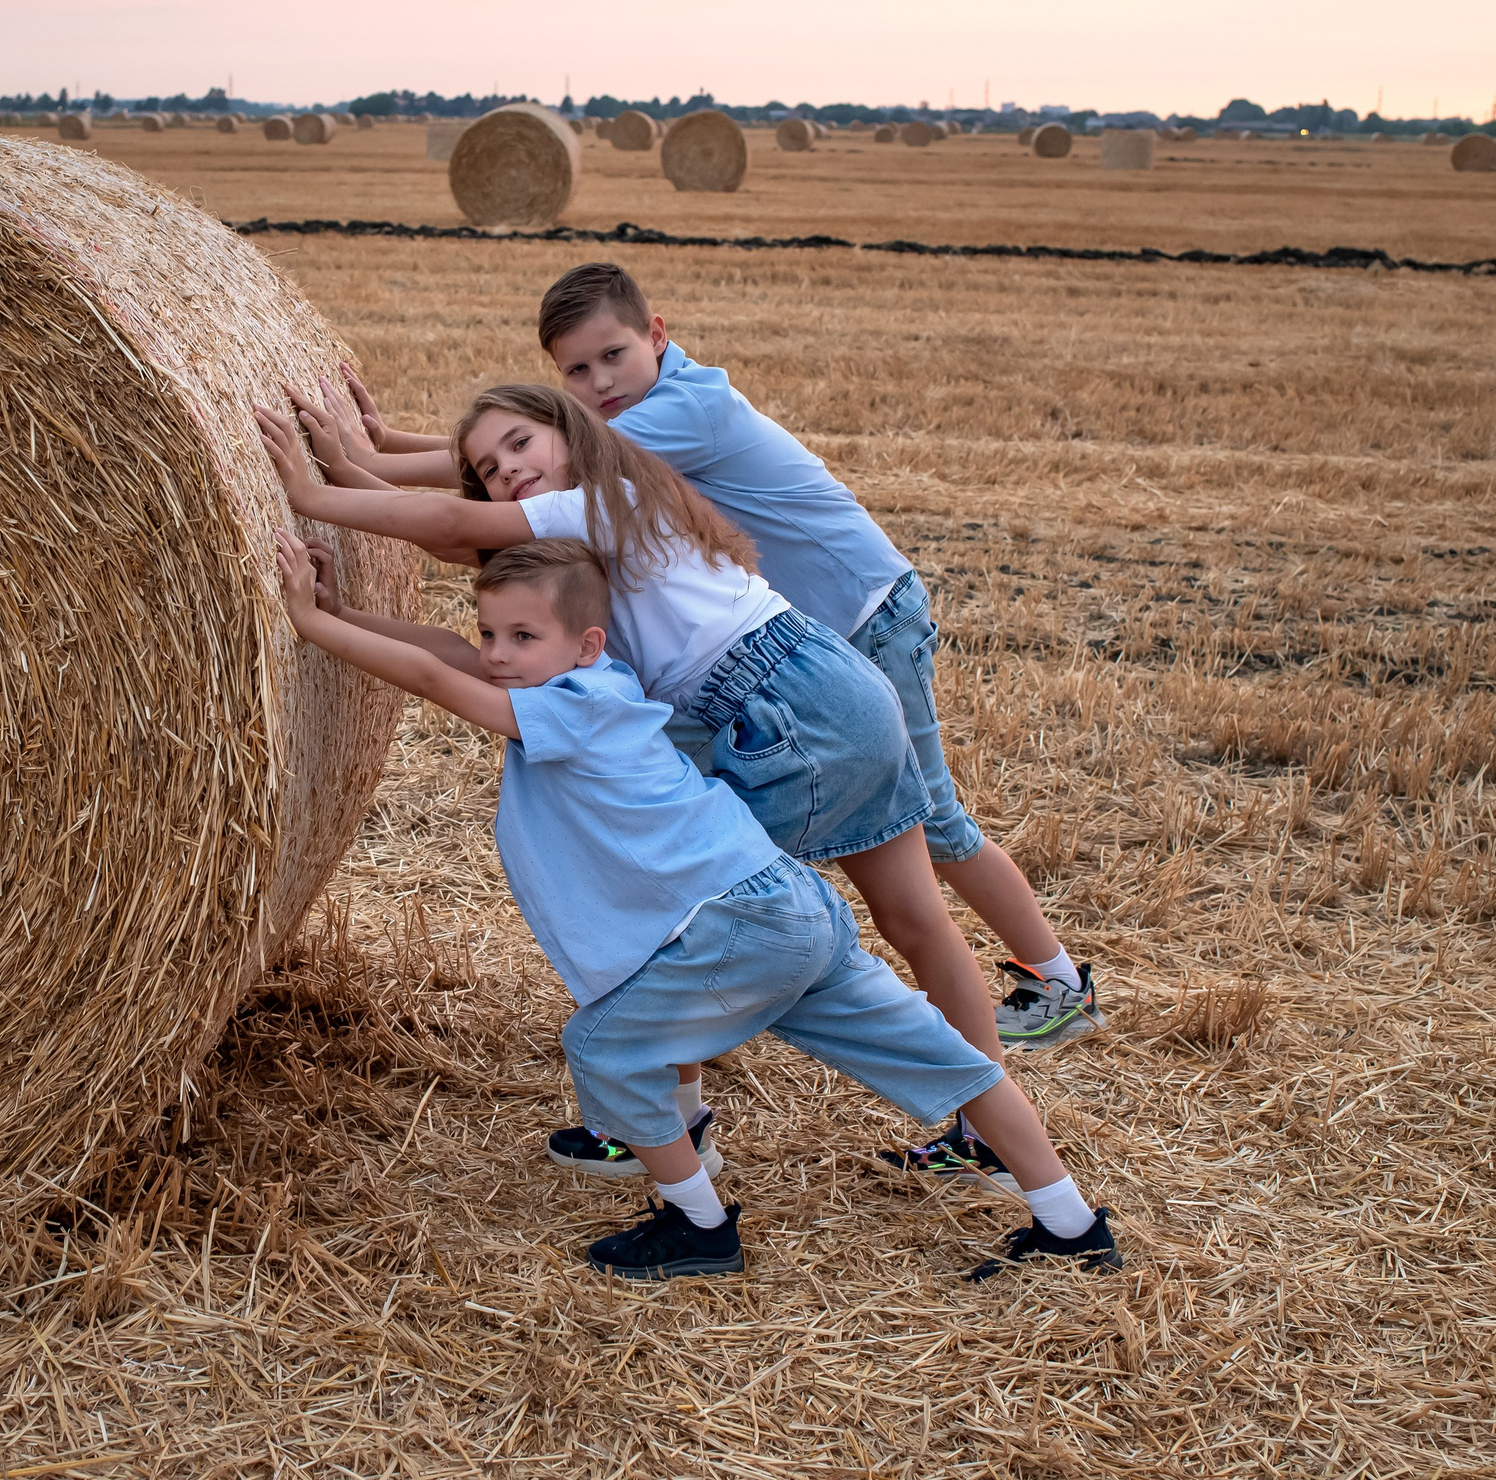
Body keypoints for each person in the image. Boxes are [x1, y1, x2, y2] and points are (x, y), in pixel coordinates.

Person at [266, 525, 1120, 1283]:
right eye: (491, 631)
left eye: (521, 636)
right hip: (788, 909)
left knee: (601, 1046)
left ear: (586, 641)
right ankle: (1073, 1225)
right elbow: (447, 654)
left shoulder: (580, 709)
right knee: (948, 1061)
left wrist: (312, 624)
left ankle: (699, 1225)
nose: (496, 651)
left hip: (737, 923)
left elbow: (434, 675)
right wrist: (349, 616)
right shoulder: (593, 686)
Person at [260, 383, 1019, 1196]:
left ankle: (669, 1123)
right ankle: (997, 1135)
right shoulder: (595, 521)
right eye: (487, 467)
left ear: (570, 433)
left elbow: (452, 527)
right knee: (911, 917)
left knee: (695, 911)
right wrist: (352, 468)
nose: (506, 471)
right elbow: (467, 551)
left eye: (520, 445)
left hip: (768, 709)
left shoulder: (597, 498)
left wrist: (316, 493)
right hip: (833, 681)